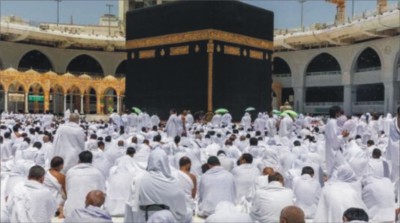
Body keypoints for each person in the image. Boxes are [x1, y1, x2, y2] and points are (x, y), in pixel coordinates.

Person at [124, 147, 187, 223]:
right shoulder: (175, 183)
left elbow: (130, 206)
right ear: (166, 162)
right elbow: (182, 211)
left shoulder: (138, 180)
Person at [64, 151, 106, 218]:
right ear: (91, 160)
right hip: (92, 213)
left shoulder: (70, 172)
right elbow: (102, 193)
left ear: (79, 160)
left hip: (71, 212)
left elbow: (67, 190)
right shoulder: (97, 172)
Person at [324, 106, 349, 177]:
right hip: (334, 150)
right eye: (340, 113)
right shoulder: (332, 123)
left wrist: (341, 135)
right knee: (340, 168)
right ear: (337, 113)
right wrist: (342, 135)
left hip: (333, 148)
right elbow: (334, 140)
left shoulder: (331, 122)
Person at [386, 106, 400, 202]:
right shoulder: (391, 123)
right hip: (395, 150)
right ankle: (394, 194)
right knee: (395, 174)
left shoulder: (392, 122)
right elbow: (391, 138)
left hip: (395, 149)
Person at [177, 156, 197, 220]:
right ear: (188, 165)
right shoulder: (192, 177)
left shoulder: (173, 174)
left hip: (176, 207)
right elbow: (193, 195)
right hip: (188, 207)